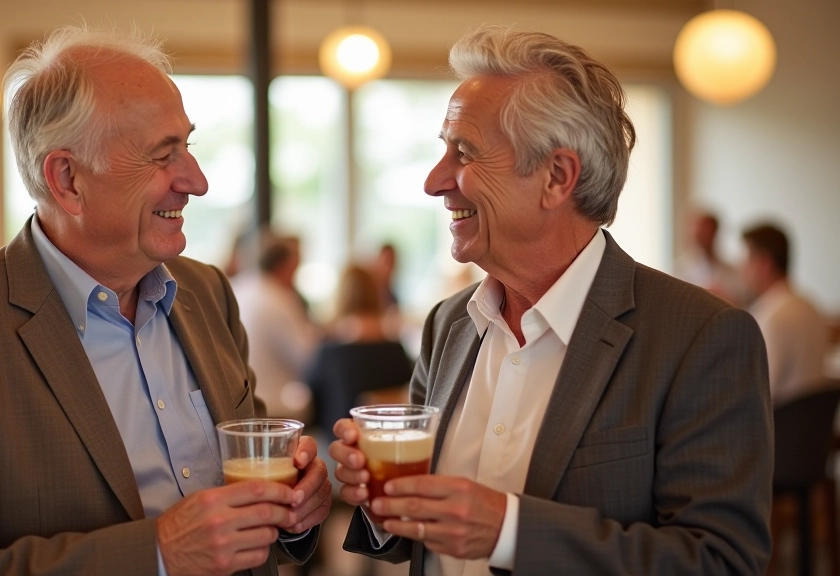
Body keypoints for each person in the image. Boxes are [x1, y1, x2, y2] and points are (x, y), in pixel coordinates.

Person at [0, 26, 330, 576]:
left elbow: (253, 477)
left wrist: (295, 510)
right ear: (66, 179)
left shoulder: (207, 293)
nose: (197, 180)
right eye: (164, 155)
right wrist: (158, 554)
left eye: (188, 145)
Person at [331, 25, 772, 576]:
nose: (434, 180)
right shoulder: (450, 324)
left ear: (557, 177)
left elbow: (720, 562)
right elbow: (418, 533)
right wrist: (380, 495)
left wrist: (508, 532)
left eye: (463, 152)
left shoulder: (701, 336)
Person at [306, 264, 412, 430]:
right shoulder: (397, 349)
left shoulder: (330, 351)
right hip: (388, 439)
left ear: (340, 295)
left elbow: (312, 396)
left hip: (339, 442)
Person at [231, 232, 320, 423]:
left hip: (234, 404)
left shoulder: (236, 287)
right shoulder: (280, 299)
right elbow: (308, 359)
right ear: (284, 265)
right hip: (273, 408)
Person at [740, 223, 829, 405]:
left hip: (779, 430)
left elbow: (758, 396)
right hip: (810, 429)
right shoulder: (811, 308)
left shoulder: (770, 317)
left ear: (764, 263)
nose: (741, 269)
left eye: (746, 260)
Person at [674, 209, 744, 305]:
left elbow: (741, 301)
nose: (704, 235)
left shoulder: (732, 271)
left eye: (708, 230)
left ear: (715, 232)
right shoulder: (680, 270)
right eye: (700, 231)